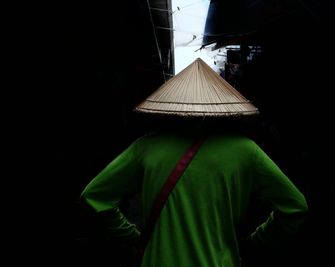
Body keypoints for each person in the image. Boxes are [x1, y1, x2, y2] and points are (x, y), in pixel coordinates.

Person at [80, 58, 308, 267]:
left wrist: (133, 236)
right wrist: (257, 242)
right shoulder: (246, 150)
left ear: (173, 106)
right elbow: (295, 207)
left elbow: (95, 196)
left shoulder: (146, 147)